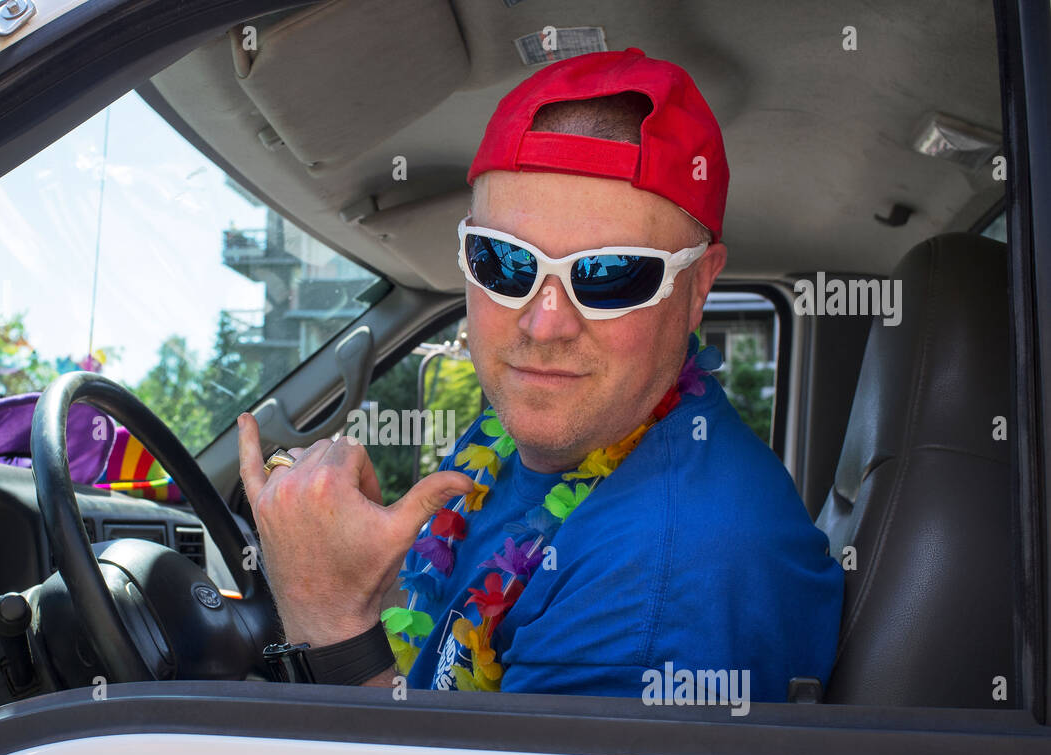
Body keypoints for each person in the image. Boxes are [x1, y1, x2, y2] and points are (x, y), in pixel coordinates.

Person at [237, 48, 843, 701]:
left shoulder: (667, 575)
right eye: (504, 261)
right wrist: (349, 565)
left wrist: (324, 609)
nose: (543, 323)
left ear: (697, 286)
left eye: (610, 273)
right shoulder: (511, 434)